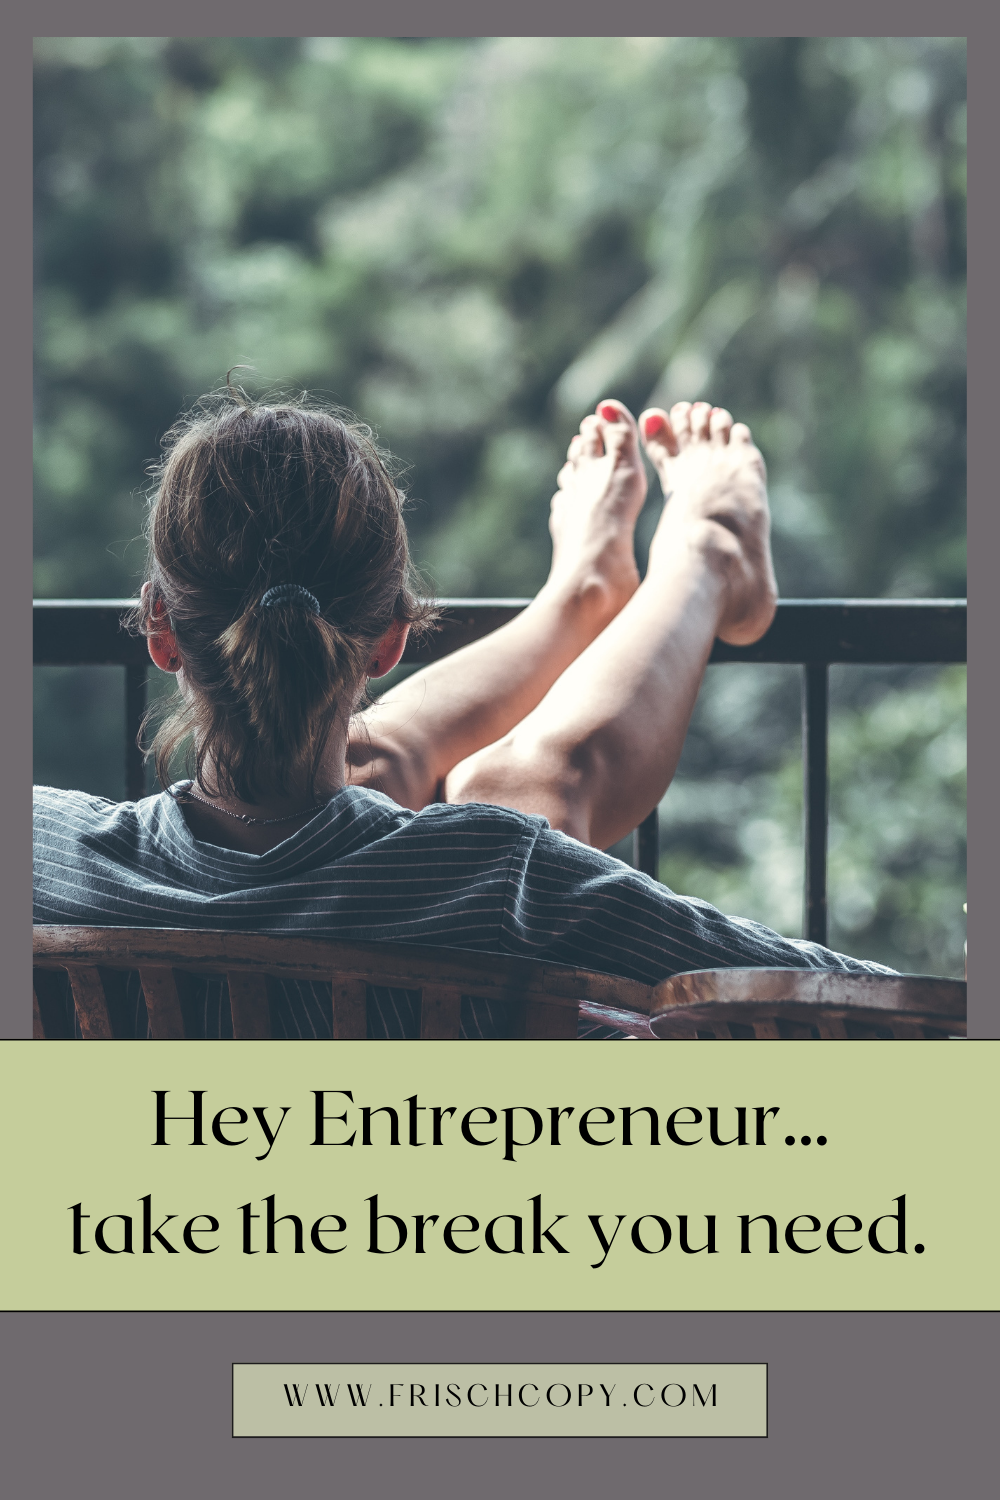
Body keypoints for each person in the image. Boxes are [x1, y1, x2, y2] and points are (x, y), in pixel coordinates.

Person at [32, 390, 892, 1039]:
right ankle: (696, 555)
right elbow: (857, 1005)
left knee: (385, 783)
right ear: (390, 642)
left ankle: (582, 596)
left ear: (160, 632)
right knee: (521, 787)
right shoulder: (503, 879)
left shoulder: (42, 855)